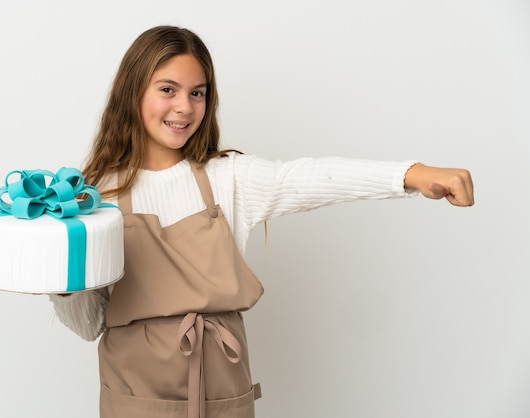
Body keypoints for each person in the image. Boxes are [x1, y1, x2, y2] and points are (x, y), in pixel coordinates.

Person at [49, 25, 474, 418]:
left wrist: (411, 174)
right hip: (134, 394)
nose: (184, 107)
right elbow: (90, 324)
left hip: (221, 386)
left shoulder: (227, 178)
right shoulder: (95, 197)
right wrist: (62, 281)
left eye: (198, 93)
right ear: (133, 93)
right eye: (168, 89)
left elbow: (309, 177)